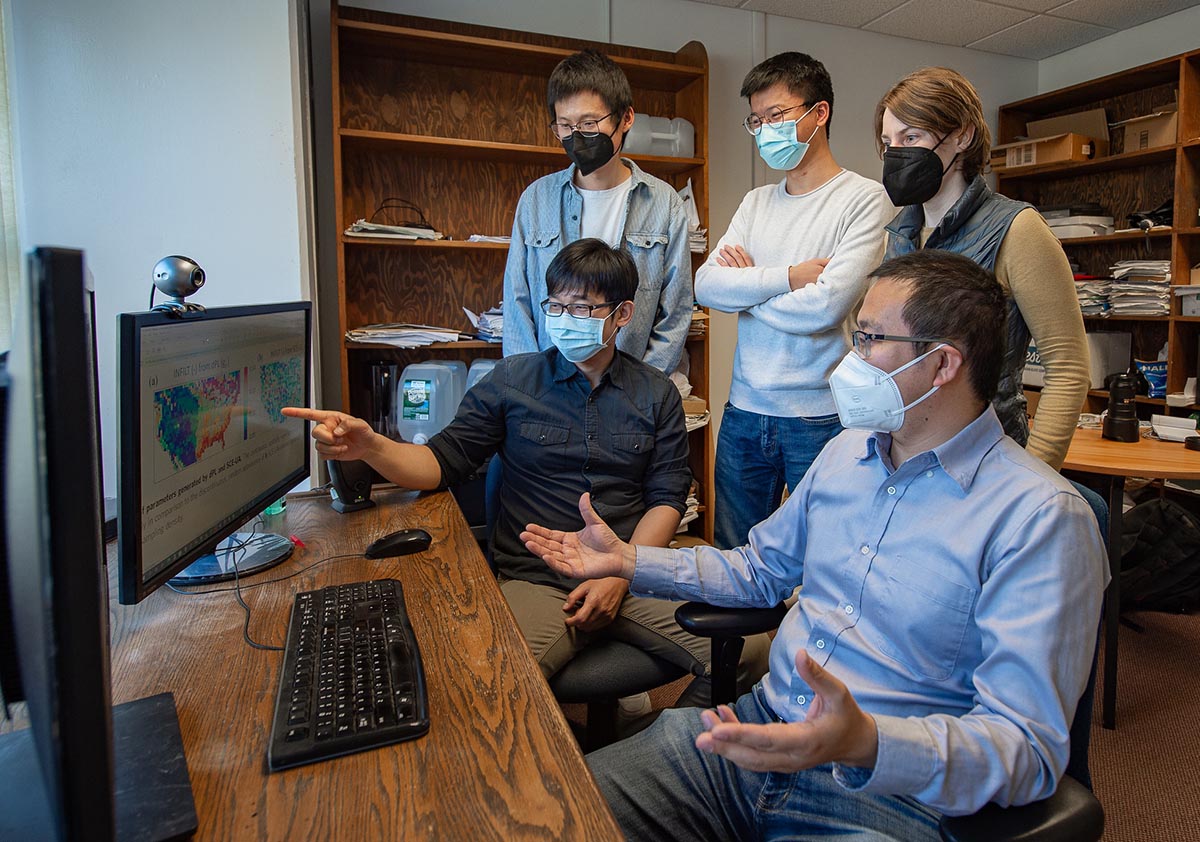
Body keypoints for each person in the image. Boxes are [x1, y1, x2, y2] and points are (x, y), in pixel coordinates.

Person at [521, 249, 1108, 840]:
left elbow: (1027, 749)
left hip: (889, 796)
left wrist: (870, 743)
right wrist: (627, 559)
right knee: (542, 817)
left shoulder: (1041, 519)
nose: (850, 360)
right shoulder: (846, 453)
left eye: (870, 340)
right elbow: (757, 570)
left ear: (943, 363)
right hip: (756, 730)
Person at [286, 239, 766, 707]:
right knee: (484, 690)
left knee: (758, 650)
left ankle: (660, 753)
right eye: (555, 306)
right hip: (538, 578)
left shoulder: (656, 392)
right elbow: (438, 463)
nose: (564, 320)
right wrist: (370, 445)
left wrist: (623, 572)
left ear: (622, 315)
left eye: (581, 309)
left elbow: (666, 496)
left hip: (629, 571)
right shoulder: (512, 381)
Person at [694, 52, 893, 549]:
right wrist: (787, 277)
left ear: (818, 112)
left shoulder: (865, 199)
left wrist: (749, 292)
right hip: (743, 411)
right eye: (756, 121)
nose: (764, 130)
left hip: (819, 416)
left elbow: (824, 308)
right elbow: (705, 286)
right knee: (734, 556)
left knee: (822, 556)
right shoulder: (756, 203)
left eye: (776, 116)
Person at [876, 66, 1089, 470]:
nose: (895, 154)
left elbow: (1069, 370)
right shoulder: (902, 232)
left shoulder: (1017, 228)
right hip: (906, 451)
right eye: (888, 142)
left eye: (911, 137)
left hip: (987, 459)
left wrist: (1031, 482)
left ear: (963, 135)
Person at [503, 49, 692, 376]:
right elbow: (517, 305)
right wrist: (530, 389)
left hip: (631, 391)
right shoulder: (536, 199)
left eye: (589, 123)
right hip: (547, 388)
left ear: (626, 118)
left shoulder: (664, 203)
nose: (577, 137)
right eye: (565, 125)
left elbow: (674, 314)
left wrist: (639, 391)